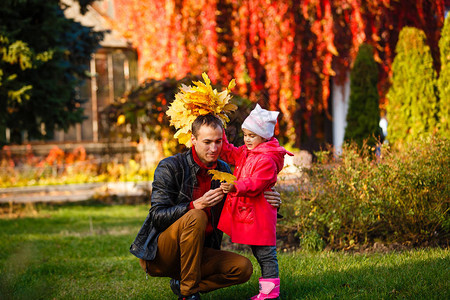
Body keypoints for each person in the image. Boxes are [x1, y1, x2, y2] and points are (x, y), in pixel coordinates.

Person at [130, 114, 282, 300]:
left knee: (242, 268)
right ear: (193, 139)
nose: (214, 148)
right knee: (197, 215)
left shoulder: (224, 170)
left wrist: (269, 199)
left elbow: (245, 197)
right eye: (207, 142)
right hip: (161, 255)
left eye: (219, 141)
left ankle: (183, 283)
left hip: (199, 253)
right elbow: (157, 216)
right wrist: (195, 205)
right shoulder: (171, 167)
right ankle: (188, 294)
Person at [218, 104, 293, 300]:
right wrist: (220, 127)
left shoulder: (267, 159)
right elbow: (229, 152)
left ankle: (270, 293)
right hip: (252, 213)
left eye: (252, 135)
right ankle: (267, 291)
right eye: (245, 134)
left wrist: (236, 186)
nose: (247, 139)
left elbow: (256, 182)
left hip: (261, 214)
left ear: (264, 136)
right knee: (259, 251)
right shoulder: (247, 152)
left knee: (266, 253)